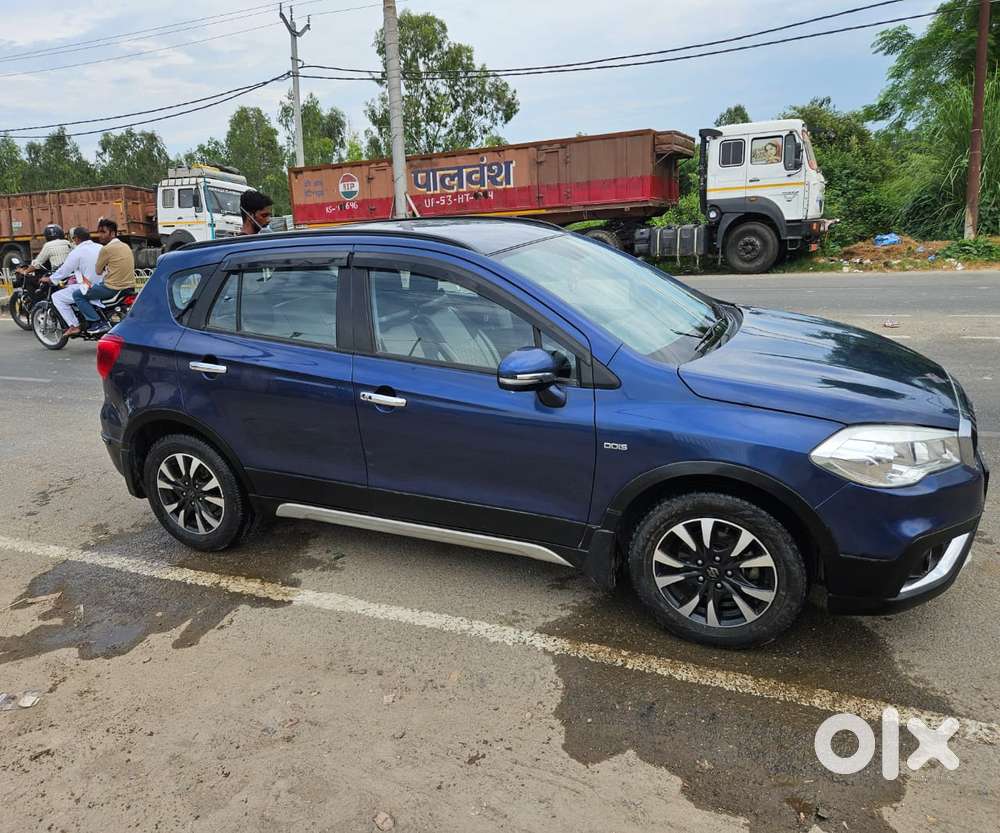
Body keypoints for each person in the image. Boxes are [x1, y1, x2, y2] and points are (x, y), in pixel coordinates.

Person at [71, 218, 136, 337]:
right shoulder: (125, 246)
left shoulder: (106, 249)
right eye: (99, 232)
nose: (100, 235)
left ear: (112, 233)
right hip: (130, 286)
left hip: (112, 288)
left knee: (77, 294)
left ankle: (97, 322)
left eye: (103, 232)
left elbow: (98, 271)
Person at [39, 227, 102, 332]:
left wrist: (51, 279)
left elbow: (65, 270)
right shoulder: (100, 247)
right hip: (104, 284)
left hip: (90, 286)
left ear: (76, 239)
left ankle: (74, 325)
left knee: (57, 297)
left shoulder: (77, 252)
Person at [15, 224, 71, 297]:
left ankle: (36, 303)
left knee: (30, 280)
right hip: (70, 275)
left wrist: (25, 271)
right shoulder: (68, 243)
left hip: (57, 275)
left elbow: (37, 264)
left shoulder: (48, 245)